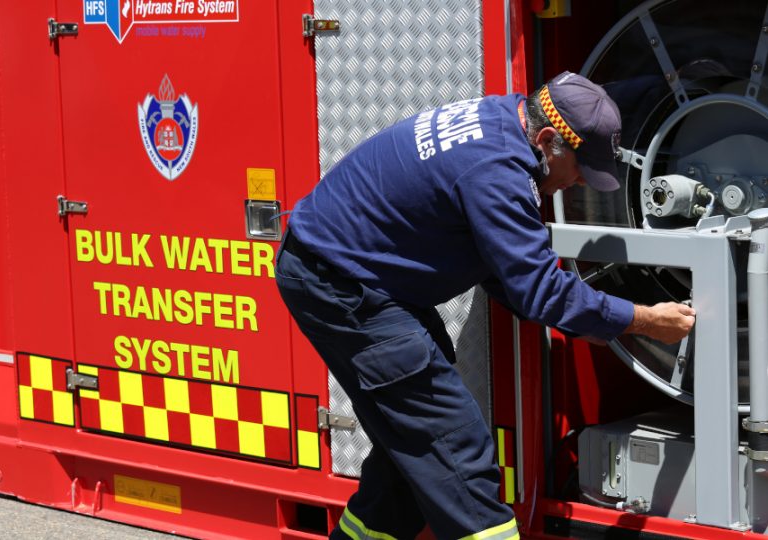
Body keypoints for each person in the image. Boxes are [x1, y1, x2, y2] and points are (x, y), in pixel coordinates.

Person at [275, 71, 695, 540]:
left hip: (359, 278)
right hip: (342, 286)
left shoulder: (505, 121)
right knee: (456, 449)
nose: (577, 182)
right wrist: (643, 320)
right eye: (578, 168)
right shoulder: (497, 172)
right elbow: (541, 291)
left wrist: (566, 308)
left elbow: (511, 278)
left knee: (415, 458)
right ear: (548, 138)